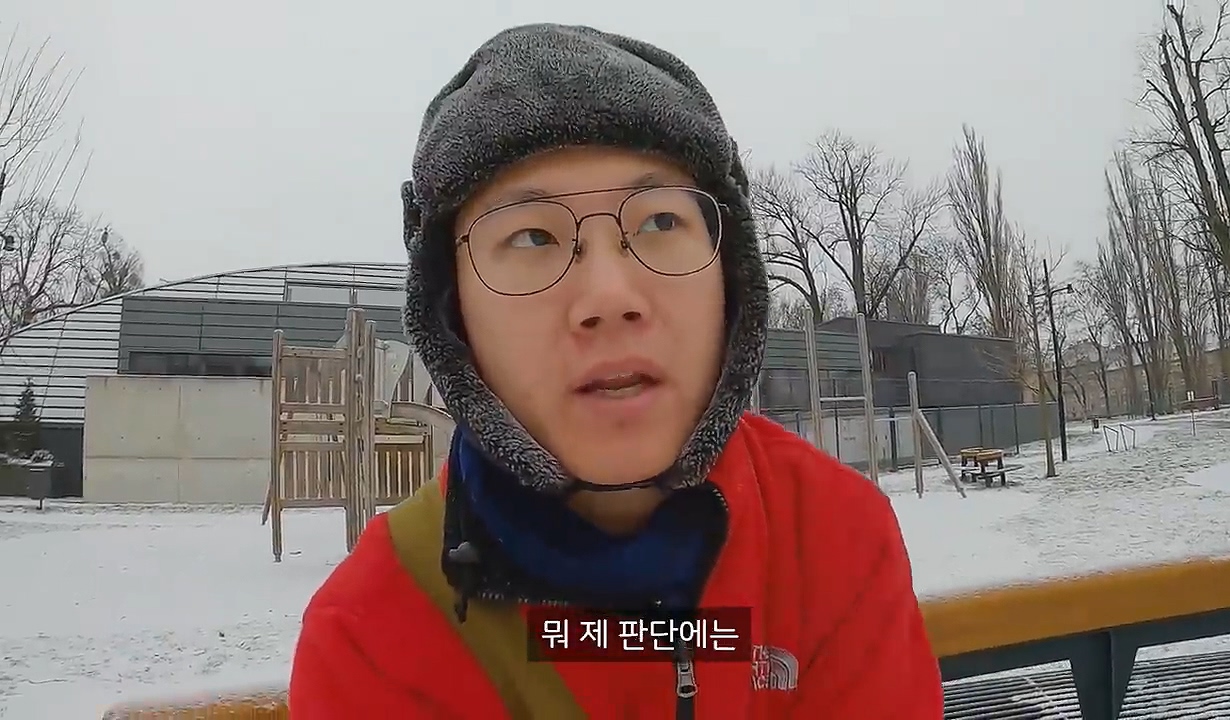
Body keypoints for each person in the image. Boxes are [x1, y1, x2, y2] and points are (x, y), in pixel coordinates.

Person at [289, 23, 943, 719]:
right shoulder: (373, 640)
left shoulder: (830, 540)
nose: (609, 297)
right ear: (454, 313)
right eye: (532, 236)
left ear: (730, 277)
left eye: (659, 222)